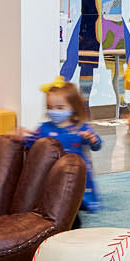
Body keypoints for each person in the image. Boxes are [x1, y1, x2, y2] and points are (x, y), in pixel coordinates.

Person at [18, 79, 102, 215]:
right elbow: (31, 144)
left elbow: (97, 145)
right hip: (52, 171)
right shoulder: (44, 129)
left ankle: (83, 203)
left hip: (78, 172)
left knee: (79, 195)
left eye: (60, 108)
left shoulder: (81, 128)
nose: (54, 111)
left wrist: (93, 139)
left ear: (73, 107)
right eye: (50, 107)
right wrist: (21, 138)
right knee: (54, 196)